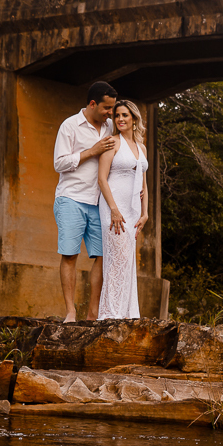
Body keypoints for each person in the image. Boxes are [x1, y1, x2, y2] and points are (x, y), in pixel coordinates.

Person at [53, 81, 117, 322]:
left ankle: (93, 313)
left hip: (98, 202)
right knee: (70, 255)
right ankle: (71, 311)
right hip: (71, 198)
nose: (110, 113)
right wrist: (92, 150)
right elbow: (58, 163)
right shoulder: (69, 126)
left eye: (112, 108)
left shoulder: (109, 126)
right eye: (106, 108)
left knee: (102, 255)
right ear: (92, 104)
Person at [97, 99, 149, 319]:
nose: (119, 119)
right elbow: (101, 178)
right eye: (117, 115)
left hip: (133, 211)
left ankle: (126, 314)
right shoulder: (112, 142)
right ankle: (110, 315)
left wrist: (145, 213)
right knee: (116, 259)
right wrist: (114, 210)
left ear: (134, 118)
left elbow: (144, 184)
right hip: (113, 207)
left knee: (127, 261)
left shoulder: (141, 147)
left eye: (124, 115)